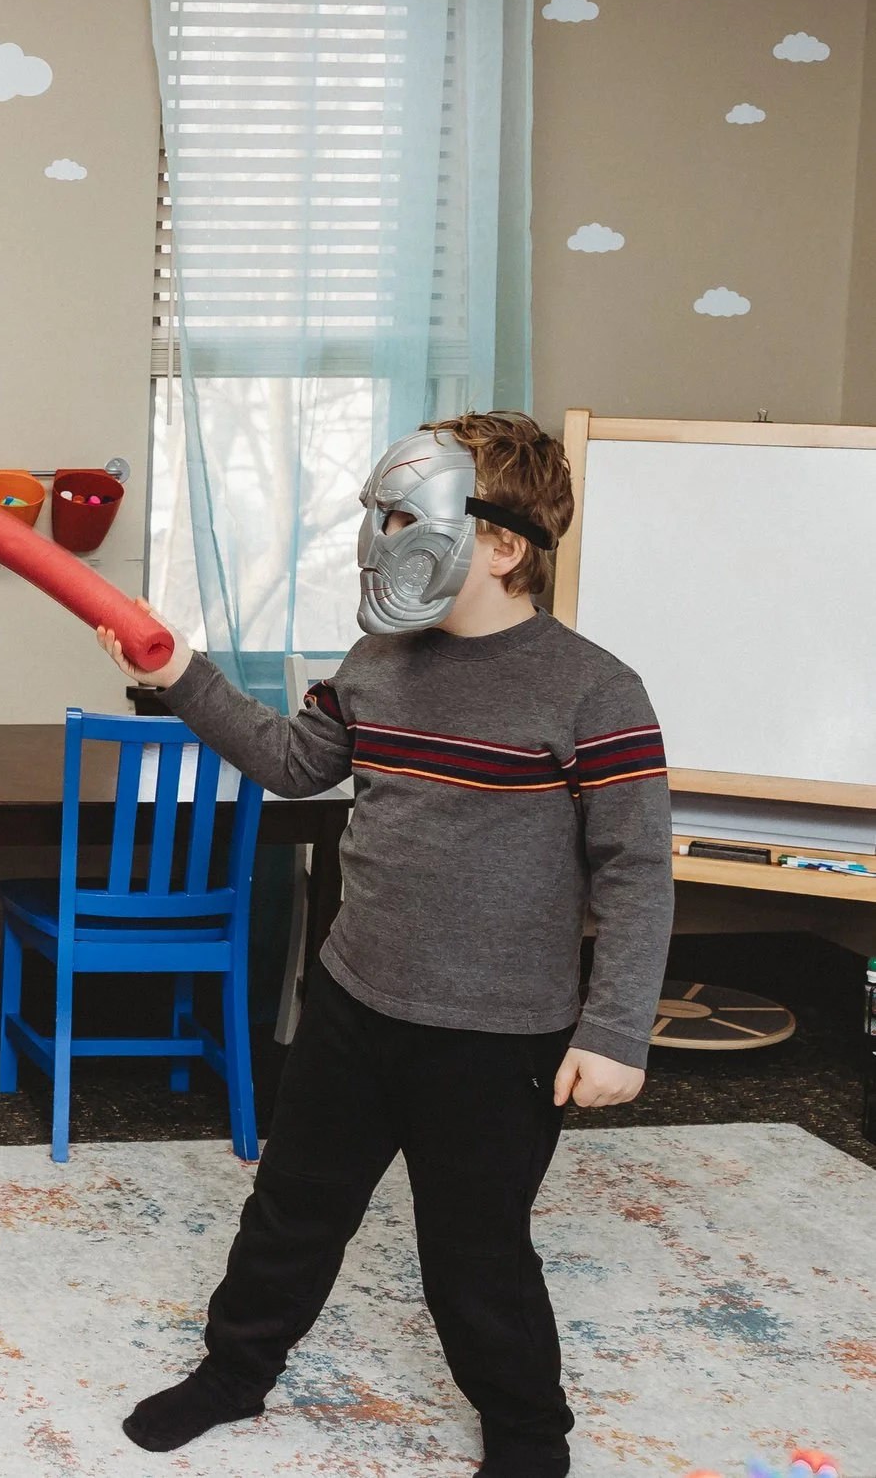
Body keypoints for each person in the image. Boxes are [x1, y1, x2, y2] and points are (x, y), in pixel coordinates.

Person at [100, 412, 671, 1478]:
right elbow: (292, 761)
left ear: (499, 543)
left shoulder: (595, 690)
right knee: (292, 1210)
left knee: (474, 1255)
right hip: (354, 1000)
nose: (381, 538)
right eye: (382, 515)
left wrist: (614, 1029)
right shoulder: (377, 658)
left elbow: (635, 870)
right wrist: (181, 672)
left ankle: (527, 1433)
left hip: (498, 1037)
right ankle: (233, 1372)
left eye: (406, 517)